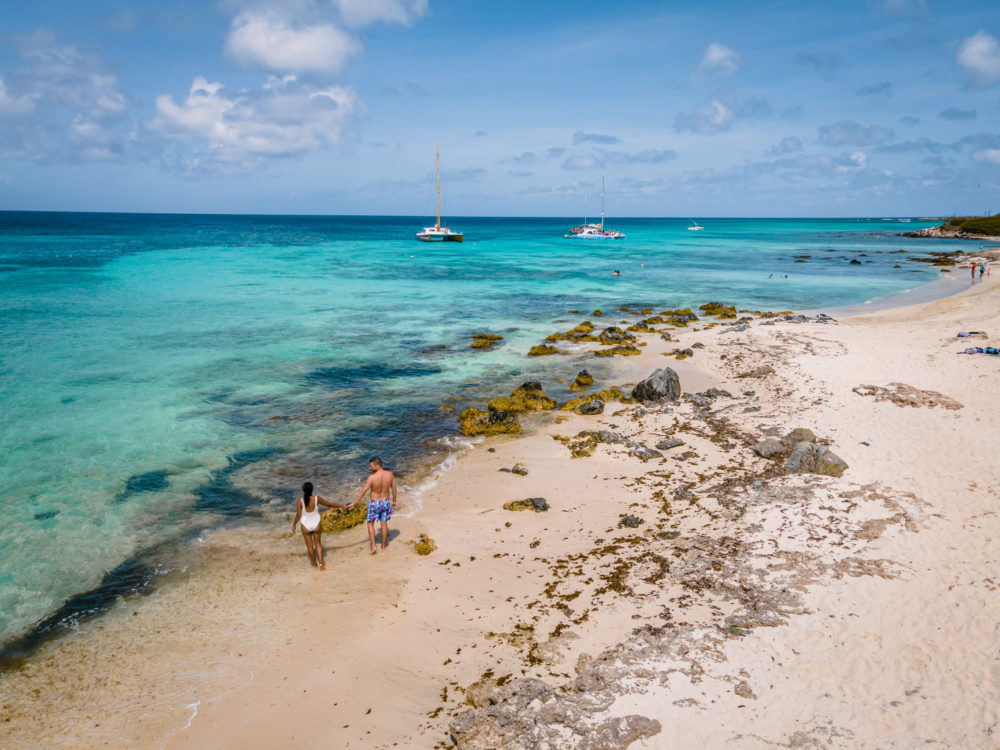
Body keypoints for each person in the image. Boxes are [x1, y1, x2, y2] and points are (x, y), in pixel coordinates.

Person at [292, 481, 347, 569]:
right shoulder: (317, 499)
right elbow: (329, 504)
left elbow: (298, 515)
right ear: (312, 490)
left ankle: (314, 564)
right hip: (316, 524)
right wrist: (343, 506)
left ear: (303, 491)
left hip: (305, 525)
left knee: (309, 546)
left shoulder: (300, 501)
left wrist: (294, 524)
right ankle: (321, 563)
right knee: (318, 544)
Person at [349, 457, 397, 555]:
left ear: (377, 465)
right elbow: (394, 489)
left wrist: (354, 503)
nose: (370, 468)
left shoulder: (372, 477)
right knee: (384, 524)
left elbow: (363, 491)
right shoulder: (390, 474)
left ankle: (373, 546)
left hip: (374, 503)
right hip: (385, 502)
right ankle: (383, 546)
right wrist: (394, 501)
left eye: (371, 466)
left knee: (370, 524)